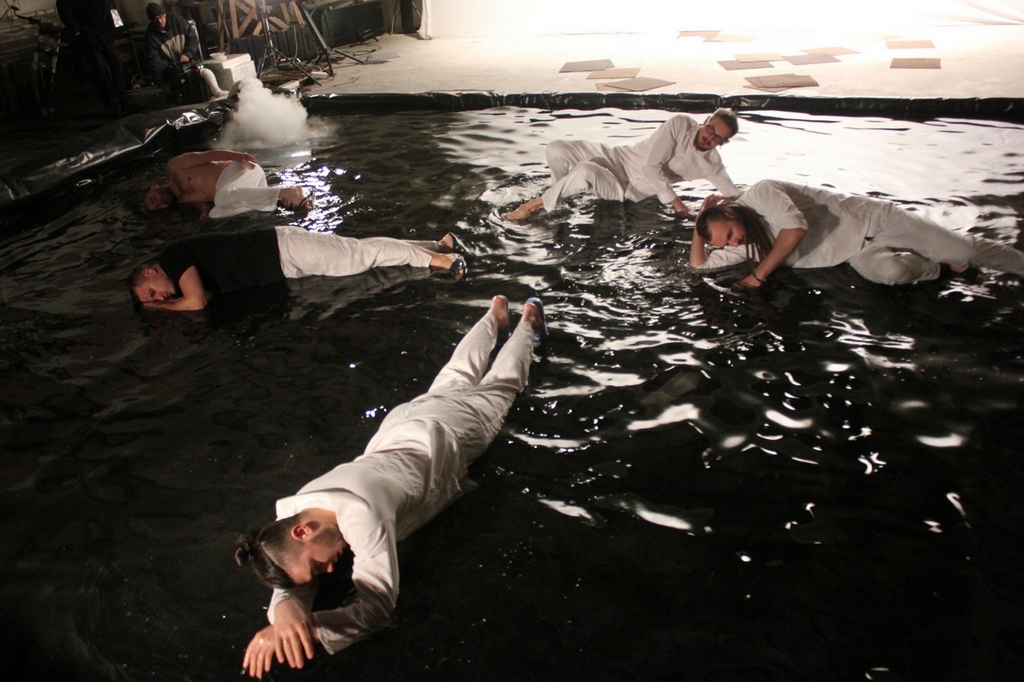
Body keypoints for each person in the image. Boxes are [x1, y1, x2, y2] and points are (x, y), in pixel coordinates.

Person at [233, 295, 548, 677]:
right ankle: (493, 316)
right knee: (456, 374)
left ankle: (528, 321)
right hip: (404, 424)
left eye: (317, 565)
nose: (329, 570)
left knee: (502, 384)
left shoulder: (364, 516)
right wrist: (285, 609)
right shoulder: (295, 507)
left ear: (303, 531)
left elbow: (378, 608)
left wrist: (310, 628)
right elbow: (288, 564)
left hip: (453, 430)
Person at [690, 179, 1024, 287]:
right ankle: (943, 268)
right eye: (727, 243)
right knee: (892, 274)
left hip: (876, 221)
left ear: (732, 212)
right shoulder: (742, 245)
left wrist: (758, 276)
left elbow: (795, 229)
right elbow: (699, 266)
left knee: (965, 249)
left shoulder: (762, 193)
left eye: (730, 234)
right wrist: (698, 226)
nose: (734, 243)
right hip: (855, 253)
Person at [128, 226, 469, 311]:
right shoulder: (176, 259)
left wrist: (157, 309)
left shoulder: (172, 258)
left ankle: (438, 259)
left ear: (149, 273)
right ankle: (437, 245)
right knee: (358, 250)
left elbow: (196, 301)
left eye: (151, 292)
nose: (159, 297)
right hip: (281, 256)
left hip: (282, 251)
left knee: (358, 257)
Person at [507, 109, 740, 220]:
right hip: (617, 158)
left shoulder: (712, 165)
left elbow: (736, 196)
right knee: (555, 149)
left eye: (717, 138)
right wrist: (679, 205)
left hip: (626, 188)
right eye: (711, 129)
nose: (710, 137)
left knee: (584, 171)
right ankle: (558, 198)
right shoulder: (680, 123)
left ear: (725, 143)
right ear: (706, 120)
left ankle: (532, 206)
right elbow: (651, 167)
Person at [143, 150, 309, 219]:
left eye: (153, 199)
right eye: (158, 207)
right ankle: (273, 198)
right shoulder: (181, 199)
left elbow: (208, 156)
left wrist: (237, 156)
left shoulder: (174, 166)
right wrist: (203, 210)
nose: (160, 203)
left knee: (221, 199)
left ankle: (288, 192)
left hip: (241, 170)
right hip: (245, 189)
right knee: (215, 213)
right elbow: (201, 199)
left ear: (154, 188)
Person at [56, 0, 131, 116]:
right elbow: (62, 5)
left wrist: (111, 27)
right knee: (99, 70)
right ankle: (108, 106)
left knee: (116, 65)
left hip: (103, 32)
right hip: (88, 33)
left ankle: (124, 102)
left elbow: (105, 6)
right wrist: (75, 30)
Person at [143, 3, 201, 100]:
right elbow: (154, 63)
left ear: (165, 14)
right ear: (151, 21)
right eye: (155, 19)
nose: (159, 21)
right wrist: (162, 83)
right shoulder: (150, 38)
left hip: (188, 59)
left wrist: (187, 53)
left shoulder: (177, 20)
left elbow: (193, 38)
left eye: (161, 17)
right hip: (170, 67)